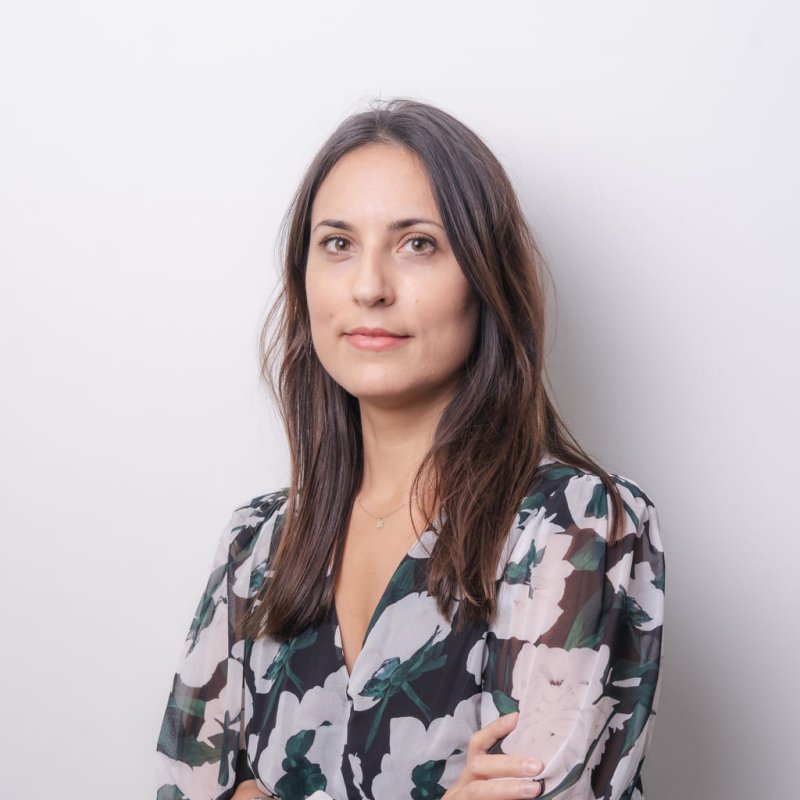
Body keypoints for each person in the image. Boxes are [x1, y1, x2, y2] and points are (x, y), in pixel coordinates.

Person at [155, 98, 665, 800]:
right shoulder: (255, 547)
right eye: (337, 244)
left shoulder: (577, 526)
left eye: (418, 243)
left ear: (485, 278)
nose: (369, 287)